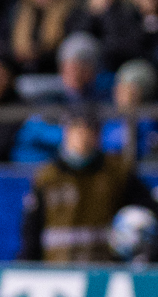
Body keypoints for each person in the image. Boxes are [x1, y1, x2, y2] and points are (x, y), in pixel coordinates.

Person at [18, 108, 157, 262]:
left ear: (98, 135)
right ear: (66, 133)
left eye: (90, 129)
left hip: (103, 268)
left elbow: (147, 211)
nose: (83, 136)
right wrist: (27, 264)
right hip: (58, 268)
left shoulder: (116, 173)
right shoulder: (47, 177)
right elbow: (32, 229)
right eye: (77, 128)